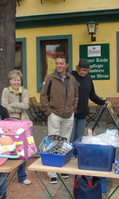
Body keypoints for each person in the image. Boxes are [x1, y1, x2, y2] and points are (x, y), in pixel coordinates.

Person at [40, 53, 79, 184]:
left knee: (65, 144)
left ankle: (62, 168)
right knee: (53, 143)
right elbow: (43, 95)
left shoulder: (72, 78)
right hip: (55, 115)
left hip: (68, 115)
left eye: (61, 63)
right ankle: (52, 172)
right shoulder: (50, 78)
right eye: (57, 63)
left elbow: (76, 96)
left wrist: (73, 108)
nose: (59, 65)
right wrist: (49, 112)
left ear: (66, 65)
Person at [1, 70, 32, 185]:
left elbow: (26, 105)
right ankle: (5, 173)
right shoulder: (5, 91)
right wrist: (17, 107)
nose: (16, 82)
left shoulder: (25, 91)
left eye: (18, 80)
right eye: (14, 80)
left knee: (22, 150)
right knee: (7, 148)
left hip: (22, 123)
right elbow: (4, 107)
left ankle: (22, 176)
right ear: (10, 81)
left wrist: (12, 105)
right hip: (9, 124)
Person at [70, 59, 107, 143]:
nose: (84, 72)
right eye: (83, 70)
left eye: (87, 70)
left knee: (79, 139)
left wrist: (103, 102)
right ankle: (69, 155)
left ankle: (76, 155)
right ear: (78, 68)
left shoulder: (88, 79)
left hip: (82, 113)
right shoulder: (71, 77)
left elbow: (92, 95)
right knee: (70, 138)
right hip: (71, 113)